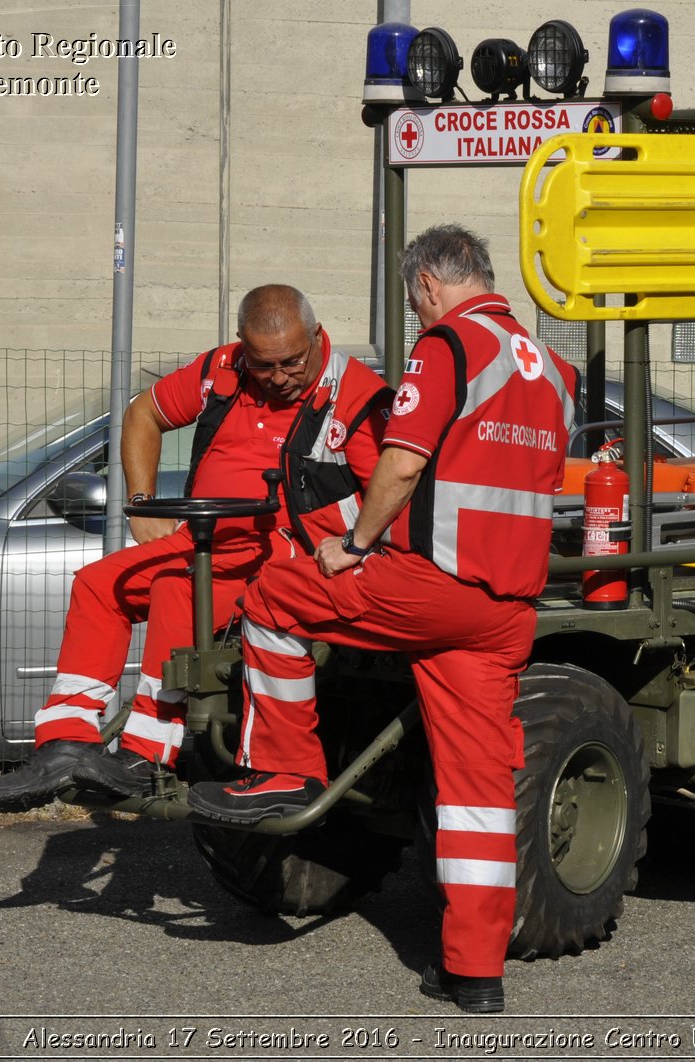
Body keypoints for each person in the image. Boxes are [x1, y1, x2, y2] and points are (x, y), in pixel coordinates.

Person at [186, 224, 577, 1014]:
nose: (414, 311)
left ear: (429, 285)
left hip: (432, 583)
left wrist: (353, 543)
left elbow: (402, 460)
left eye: (412, 299)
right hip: (507, 607)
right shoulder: (555, 372)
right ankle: (475, 973)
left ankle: (288, 767)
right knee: (477, 793)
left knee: (273, 595)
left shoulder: (447, 347)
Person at [0, 285, 391, 810]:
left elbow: (390, 488)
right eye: (265, 366)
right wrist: (141, 501)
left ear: (316, 336)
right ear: (243, 348)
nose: (280, 377)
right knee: (100, 583)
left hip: (285, 558)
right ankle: (65, 743)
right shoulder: (221, 371)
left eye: (292, 361)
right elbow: (142, 414)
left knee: (179, 589)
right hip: (205, 540)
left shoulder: (356, 396)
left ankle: (147, 754)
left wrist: (350, 545)